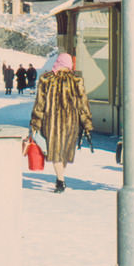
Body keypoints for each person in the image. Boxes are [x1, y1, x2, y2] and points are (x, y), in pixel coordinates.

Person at [29, 52, 94, 194]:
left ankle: (60, 180)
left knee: (55, 152)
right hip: (71, 124)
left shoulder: (46, 79)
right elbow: (83, 104)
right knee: (63, 153)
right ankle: (61, 177)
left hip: (52, 123)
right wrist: (87, 123)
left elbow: (39, 104)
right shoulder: (76, 80)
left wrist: (35, 123)